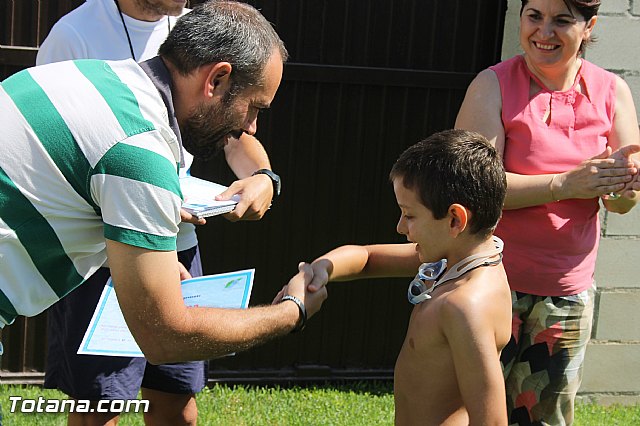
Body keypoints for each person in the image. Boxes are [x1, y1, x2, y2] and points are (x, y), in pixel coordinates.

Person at [0, 1, 326, 424]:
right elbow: (163, 338)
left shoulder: (93, 78)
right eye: (255, 107)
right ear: (218, 79)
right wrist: (289, 313)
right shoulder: (141, 148)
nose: (252, 128)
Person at [455, 0, 640, 424]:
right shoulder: (493, 85)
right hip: (490, 282)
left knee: (544, 416)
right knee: (471, 412)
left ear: (588, 27)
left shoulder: (613, 92)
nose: (544, 31)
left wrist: (624, 187)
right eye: (534, 16)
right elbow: (473, 188)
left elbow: (623, 202)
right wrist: (564, 184)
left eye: (562, 20)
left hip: (567, 294)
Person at [301, 129, 511, 425]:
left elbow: (491, 422)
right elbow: (368, 258)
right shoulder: (456, 259)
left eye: (409, 215)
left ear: (455, 219)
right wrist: (323, 268)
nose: (400, 227)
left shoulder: (465, 306)